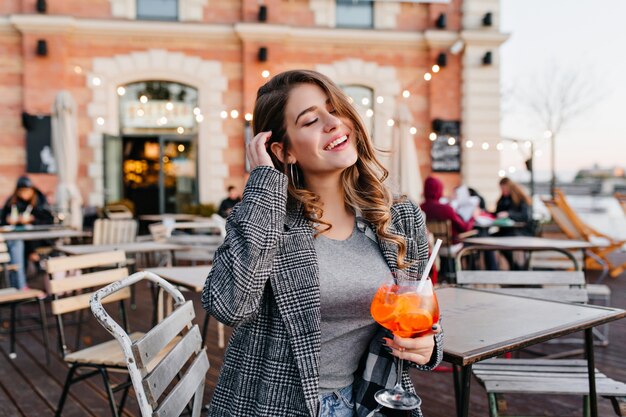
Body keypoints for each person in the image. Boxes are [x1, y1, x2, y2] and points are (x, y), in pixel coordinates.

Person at [201, 70, 442, 417]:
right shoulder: (268, 218)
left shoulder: (399, 217)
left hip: (369, 399)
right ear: (283, 150)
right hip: (275, 405)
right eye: (311, 120)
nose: (333, 123)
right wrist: (264, 184)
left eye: (336, 109)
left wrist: (429, 343)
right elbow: (229, 306)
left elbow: (418, 301)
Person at [1, 175, 54, 289]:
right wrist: (8, 220)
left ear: (32, 190)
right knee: (16, 245)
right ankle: (20, 286)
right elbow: (2, 219)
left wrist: (32, 219)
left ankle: (21, 286)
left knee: (18, 247)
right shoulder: (12, 202)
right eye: (21, 191)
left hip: (37, 241)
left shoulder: (40, 201)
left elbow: (48, 222)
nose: (24, 194)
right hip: (17, 239)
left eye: (26, 191)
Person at [493, 177, 533, 269]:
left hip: (519, 231)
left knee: (506, 243)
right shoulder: (502, 199)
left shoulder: (520, 199)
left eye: (504, 189)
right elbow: (497, 213)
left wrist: (509, 214)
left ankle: (516, 268)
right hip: (505, 231)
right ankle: (509, 267)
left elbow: (525, 216)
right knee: (490, 239)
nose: (502, 191)